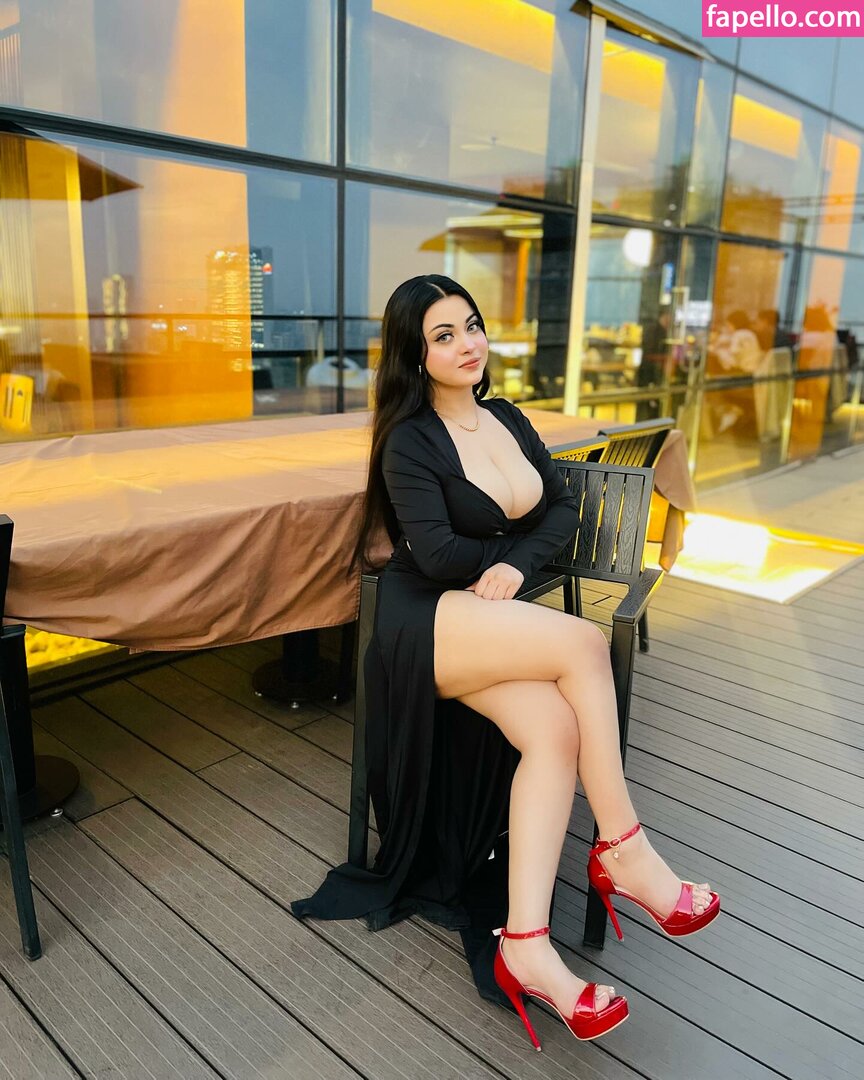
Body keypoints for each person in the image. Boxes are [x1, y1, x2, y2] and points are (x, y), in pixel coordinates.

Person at [291, 275, 719, 1051]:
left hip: (486, 612)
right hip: (423, 620)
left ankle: (526, 945)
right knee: (584, 643)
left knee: (555, 730)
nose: (467, 344)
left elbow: (564, 508)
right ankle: (624, 849)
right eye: (444, 335)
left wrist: (517, 565)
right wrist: (510, 555)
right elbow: (438, 555)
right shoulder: (408, 440)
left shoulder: (509, 418)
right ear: (415, 356)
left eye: (472, 325)